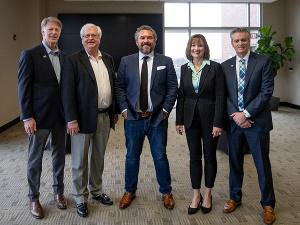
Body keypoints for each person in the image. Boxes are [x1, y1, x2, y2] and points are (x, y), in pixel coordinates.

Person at [116, 25, 178, 210]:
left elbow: (173, 88)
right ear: (136, 41)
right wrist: (125, 110)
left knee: (160, 156)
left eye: (149, 38)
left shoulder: (165, 61)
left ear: (155, 41)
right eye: (142, 38)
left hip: (157, 119)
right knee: (132, 157)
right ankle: (129, 191)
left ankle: (166, 192)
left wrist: (166, 111)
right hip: (133, 119)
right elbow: (119, 87)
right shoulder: (126, 61)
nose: (146, 41)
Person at [61, 23, 117, 218]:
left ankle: (97, 191)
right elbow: (67, 93)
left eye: (94, 35)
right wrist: (71, 119)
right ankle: (80, 197)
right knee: (79, 162)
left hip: (104, 116)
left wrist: (114, 112)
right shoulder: (72, 60)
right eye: (87, 35)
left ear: (99, 38)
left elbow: (113, 86)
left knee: (98, 158)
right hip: (81, 119)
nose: (90, 38)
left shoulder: (108, 58)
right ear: (82, 38)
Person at [222, 27, 276, 225]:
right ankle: (234, 197)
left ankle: (268, 204)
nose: (240, 44)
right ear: (232, 43)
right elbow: (224, 95)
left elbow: (266, 91)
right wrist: (236, 116)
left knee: (262, 164)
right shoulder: (225, 66)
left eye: (243, 40)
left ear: (249, 41)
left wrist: (246, 114)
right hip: (234, 123)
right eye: (236, 41)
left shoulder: (263, 61)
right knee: (234, 162)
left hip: (257, 122)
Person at [17, 17, 67, 219]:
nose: (54, 32)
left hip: (60, 117)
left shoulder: (64, 56)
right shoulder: (30, 55)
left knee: (59, 157)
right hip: (38, 117)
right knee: (35, 158)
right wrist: (27, 116)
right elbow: (23, 88)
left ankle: (58, 192)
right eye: (50, 29)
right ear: (43, 31)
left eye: (57, 30)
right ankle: (33, 197)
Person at [176, 34, 226, 215]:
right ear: (189, 49)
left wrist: (218, 122)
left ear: (205, 48)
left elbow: (220, 97)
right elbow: (181, 96)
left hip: (211, 121)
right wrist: (179, 120)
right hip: (190, 120)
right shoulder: (184, 68)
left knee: (210, 156)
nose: (196, 49)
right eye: (193, 46)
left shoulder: (215, 68)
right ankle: (196, 194)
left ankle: (208, 194)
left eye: (200, 46)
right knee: (194, 157)